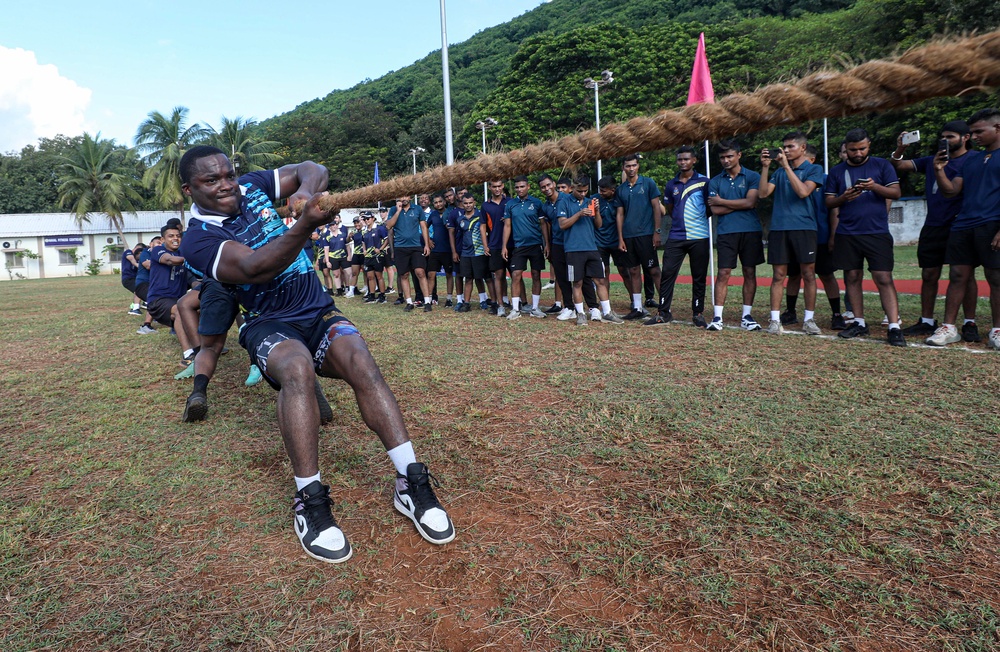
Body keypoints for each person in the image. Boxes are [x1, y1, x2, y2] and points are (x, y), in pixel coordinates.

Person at [178, 145, 454, 563]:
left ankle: (411, 482)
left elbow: (313, 168)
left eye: (228, 175)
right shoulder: (198, 238)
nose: (226, 185)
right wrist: (306, 223)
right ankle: (310, 500)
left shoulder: (253, 185)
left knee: (362, 362)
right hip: (267, 321)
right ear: (189, 189)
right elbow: (256, 268)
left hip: (317, 309)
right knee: (296, 369)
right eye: (211, 181)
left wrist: (305, 190)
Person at [891, 121, 980, 340]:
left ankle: (970, 322)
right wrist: (901, 148)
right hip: (933, 224)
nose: (945, 141)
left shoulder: (974, 160)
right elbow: (898, 166)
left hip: (960, 224)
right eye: (943, 137)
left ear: (965, 137)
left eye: (950, 137)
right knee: (929, 273)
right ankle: (927, 321)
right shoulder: (932, 160)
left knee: (964, 275)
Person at [926, 108, 1000, 349]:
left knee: (995, 277)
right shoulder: (973, 159)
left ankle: (997, 330)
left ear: (997, 128)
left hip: (992, 224)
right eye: (972, 132)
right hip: (963, 225)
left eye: (979, 131)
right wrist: (938, 170)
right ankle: (949, 327)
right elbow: (951, 191)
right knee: (957, 275)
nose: (975, 136)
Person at [825, 127, 906, 346]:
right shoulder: (836, 171)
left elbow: (896, 193)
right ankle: (859, 323)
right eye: (853, 150)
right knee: (851, 277)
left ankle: (894, 327)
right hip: (847, 233)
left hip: (876, 232)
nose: (858, 153)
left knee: (883, 278)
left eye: (862, 148)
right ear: (846, 149)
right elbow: (829, 202)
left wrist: (874, 186)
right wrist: (844, 197)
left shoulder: (882, 165)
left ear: (869, 145)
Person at [759, 132, 826, 336]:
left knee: (808, 274)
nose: (785, 151)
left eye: (790, 147)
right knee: (778, 275)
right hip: (779, 228)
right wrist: (765, 167)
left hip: (804, 228)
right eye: (784, 147)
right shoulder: (778, 173)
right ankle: (774, 320)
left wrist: (786, 167)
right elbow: (762, 194)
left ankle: (809, 320)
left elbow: (803, 192)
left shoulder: (814, 169)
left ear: (803, 148)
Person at [784, 144, 850, 330]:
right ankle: (790, 311)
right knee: (794, 274)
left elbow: (833, 208)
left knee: (826, 274)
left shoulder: (825, 179)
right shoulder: (789, 177)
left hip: (820, 235)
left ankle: (837, 314)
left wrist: (833, 235)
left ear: (811, 160)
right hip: (797, 234)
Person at [645, 146, 710, 327]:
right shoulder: (671, 184)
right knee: (667, 273)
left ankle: (698, 313)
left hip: (699, 236)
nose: (683, 162)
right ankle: (663, 313)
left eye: (686, 159)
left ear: (694, 160)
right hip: (676, 236)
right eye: (680, 159)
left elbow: (710, 208)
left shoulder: (705, 182)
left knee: (699, 276)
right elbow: (671, 209)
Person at [705, 140, 763, 331]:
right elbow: (714, 210)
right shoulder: (714, 181)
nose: (726, 160)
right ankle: (717, 317)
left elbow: (751, 203)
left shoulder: (753, 176)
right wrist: (741, 203)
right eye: (722, 157)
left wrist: (723, 201)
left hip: (750, 230)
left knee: (749, 272)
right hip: (726, 232)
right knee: (723, 273)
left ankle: (747, 316)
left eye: (729, 156)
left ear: (739, 155)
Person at [556, 175, 624, 325]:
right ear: (573, 188)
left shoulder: (590, 201)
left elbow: (598, 225)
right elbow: (562, 225)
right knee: (577, 282)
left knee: (600, 280)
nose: (583, 194)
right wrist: (579, 214)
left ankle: (607, 312)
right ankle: (580, 313)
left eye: (585, 191)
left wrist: (597, 212)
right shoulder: (564, 202)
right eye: (580, 191)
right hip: (573, 249)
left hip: (591, 247)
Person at [614, 154, 663, 320]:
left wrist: (657, 231)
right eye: (628, 166)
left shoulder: (648, 183)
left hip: (646, 235)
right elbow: (619, 215)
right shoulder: (620, 190)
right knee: (633, 270)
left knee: (654, 270)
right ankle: (637, 307)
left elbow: (657, 207)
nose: (631, 169)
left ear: (638, 166)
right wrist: (620, 238)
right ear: (623, 168)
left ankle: (664, 306)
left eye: (634, 165)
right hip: (628, 236)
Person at [147, 225, 196, 363]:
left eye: (178, 236)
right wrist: (193, 259)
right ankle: (188, 354)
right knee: (181, 309)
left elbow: (193, 281)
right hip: (158, 300)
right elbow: (170, 260)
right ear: (163, 239)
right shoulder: (158, 250)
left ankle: (205, 346)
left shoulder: (183, 254)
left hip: (177, 300)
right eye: (171, 236)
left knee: (200, 307)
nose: (175, 238)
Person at [502, 175, 548, 320]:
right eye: (517, 187)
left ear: (528, 187)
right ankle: (516, 309)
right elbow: (507, 225)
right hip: (519, 246)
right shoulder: (510, 204)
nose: (519, 189)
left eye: (522, 186)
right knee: (515, 275)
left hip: (535, 245)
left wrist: (546, 244)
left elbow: (543, 225)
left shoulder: (537, 203)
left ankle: (535, 308)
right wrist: (504, 246)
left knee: (536, 275)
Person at [385, 195, 432, 312]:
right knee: (404, 275)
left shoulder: (417, 209)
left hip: (416, 246)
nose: (403, 198)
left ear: (410, 197)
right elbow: (389, 225)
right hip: (400, 247)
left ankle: (427, 301)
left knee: (420, 272)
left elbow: (423, 227)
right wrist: (398, 210)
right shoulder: (393, 209)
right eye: (401, 196)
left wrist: (426, 244)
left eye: (405, 196)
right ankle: (409, 302)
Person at [593, 176, 633, 304]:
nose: (601, 193)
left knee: (625, 272)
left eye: (604, 190)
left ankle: (635, 301)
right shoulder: (595, 199)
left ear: (613, 190)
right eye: (600, 189)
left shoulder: (620, 198)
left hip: (618, 241)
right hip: (600, 242)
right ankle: (606, 303)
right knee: (603, 273)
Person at [454, 194, 490, 312]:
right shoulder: (460, 219)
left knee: (480, 278)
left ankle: (483, 300)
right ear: (462, 204)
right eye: (465, 203)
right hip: (465, 253)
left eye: (470, 203)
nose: (468, 205)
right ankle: (466, 303)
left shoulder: (480, 216)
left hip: (479, 252)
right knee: (468, 278)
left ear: (474, 202)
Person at [481, 180, 510, 315]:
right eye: (494, 187)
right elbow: (482, 226)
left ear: (503, 186)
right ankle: (500, 305)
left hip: (512, 245)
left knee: (516, 275)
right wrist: (485, 245)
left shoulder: (510, 202)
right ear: (490, 187)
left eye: (499, 186)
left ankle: (519, 303)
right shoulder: (486, 206)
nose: (497, 189)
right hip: (494, 245)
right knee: (498, 275)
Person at [426, 194, 455, 306]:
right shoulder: (433, 214)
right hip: (435, 249)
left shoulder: (450, 212)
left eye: (440, 201)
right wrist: (428, 240)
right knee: (431, 274)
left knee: (449, 274)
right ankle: (428, 298)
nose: (438, 204)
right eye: (436, 202)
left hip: (448, 249)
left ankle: (449, 299)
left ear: (444, 202)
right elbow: (425, 227)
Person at [362, 212, 389, 303]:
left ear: (373, 218)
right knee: (370, 276)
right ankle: (372, 295)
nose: (366, 221)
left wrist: (380, 249)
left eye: (368, 218)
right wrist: (364, 250)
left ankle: (382, 295)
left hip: (377, 256)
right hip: (368, 257)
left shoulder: (379, 228)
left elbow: (387, 239)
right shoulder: (364, 230)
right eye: (364, 219)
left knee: (379, 276)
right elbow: (363, 242)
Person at [135, 237, 160, 334]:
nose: (159, 245)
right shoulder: (146, 252)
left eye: (162, 243)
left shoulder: (163, 254)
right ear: (151, 244)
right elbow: (148, 265)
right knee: (154, 297)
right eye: (158, 242)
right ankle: (146, 325)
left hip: (155, 284)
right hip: (143, 284)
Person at [121, 244, 142, 315]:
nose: (140, 254)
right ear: (136, 248)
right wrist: (137, 265)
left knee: (141, 289)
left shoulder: (138, 260)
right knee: (139, 289)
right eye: (139, 252)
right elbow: (131, 259)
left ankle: (136, 305)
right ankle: (135, 309)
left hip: (135, 278)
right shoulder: (128, 252)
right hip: (128, 278)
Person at [349, 216, 366, 297]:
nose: (356, 224)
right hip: (356, 254)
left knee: (366, 272)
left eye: (358, 222)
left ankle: (368, 289)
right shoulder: (354, 232)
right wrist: (349, 237)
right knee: (354, 273)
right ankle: (351, 291)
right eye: (355, 223)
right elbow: (347, 241)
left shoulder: (365, 230)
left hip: (364, 254)